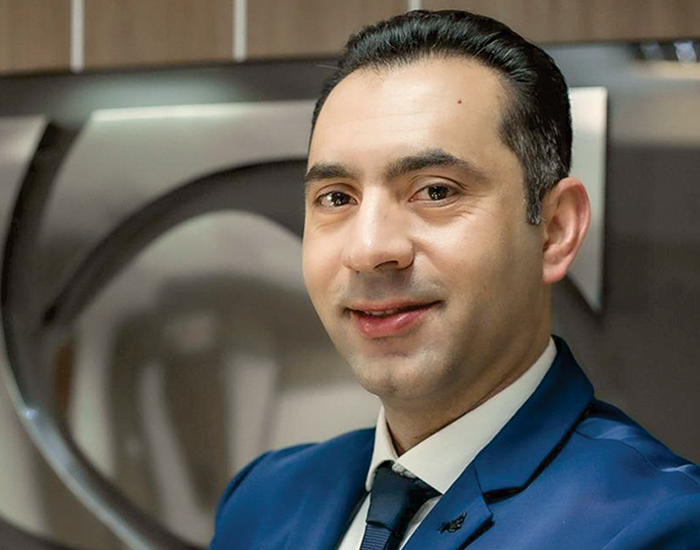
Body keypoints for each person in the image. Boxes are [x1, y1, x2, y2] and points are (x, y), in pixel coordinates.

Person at [210, 9, 700, 550]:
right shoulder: (264, 499)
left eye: (436, 191)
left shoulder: (657, 524)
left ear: (555, 230)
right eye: (337, 197)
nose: (368, 250)